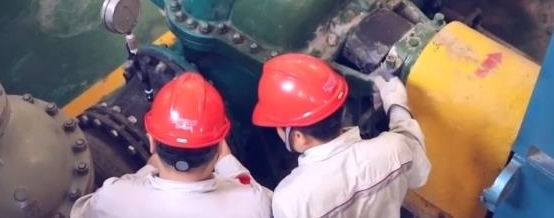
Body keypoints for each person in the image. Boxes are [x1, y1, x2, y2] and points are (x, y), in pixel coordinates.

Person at [252, 53, 431, 218]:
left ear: (299, 137)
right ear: (342, 110)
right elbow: (420, 174)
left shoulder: (291, 199)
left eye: (279, 127)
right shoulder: (394, 149)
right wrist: (396, 103)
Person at [71, 72, 272, 218]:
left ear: (152, 142)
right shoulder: (253, 203)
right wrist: (229, 164)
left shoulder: (113, 196)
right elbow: (255, 195)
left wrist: (146, 170)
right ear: (219, 147)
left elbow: (80, 212)